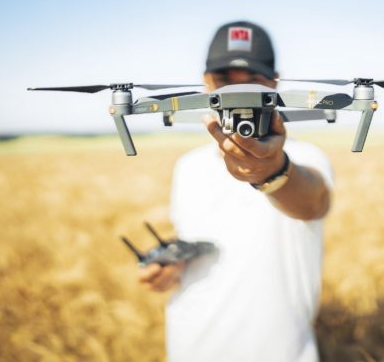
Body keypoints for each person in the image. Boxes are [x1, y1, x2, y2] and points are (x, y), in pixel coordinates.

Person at [137, 21, 335, 362]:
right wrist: (172, 265)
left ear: (274, 83)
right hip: (190, 349)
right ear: (205, 82)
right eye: (225, 81)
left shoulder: (306, 157)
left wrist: (273, 170)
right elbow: (198, 235)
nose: (237, 94)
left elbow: (312, 202)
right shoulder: (187, 166)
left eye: (253, 81)